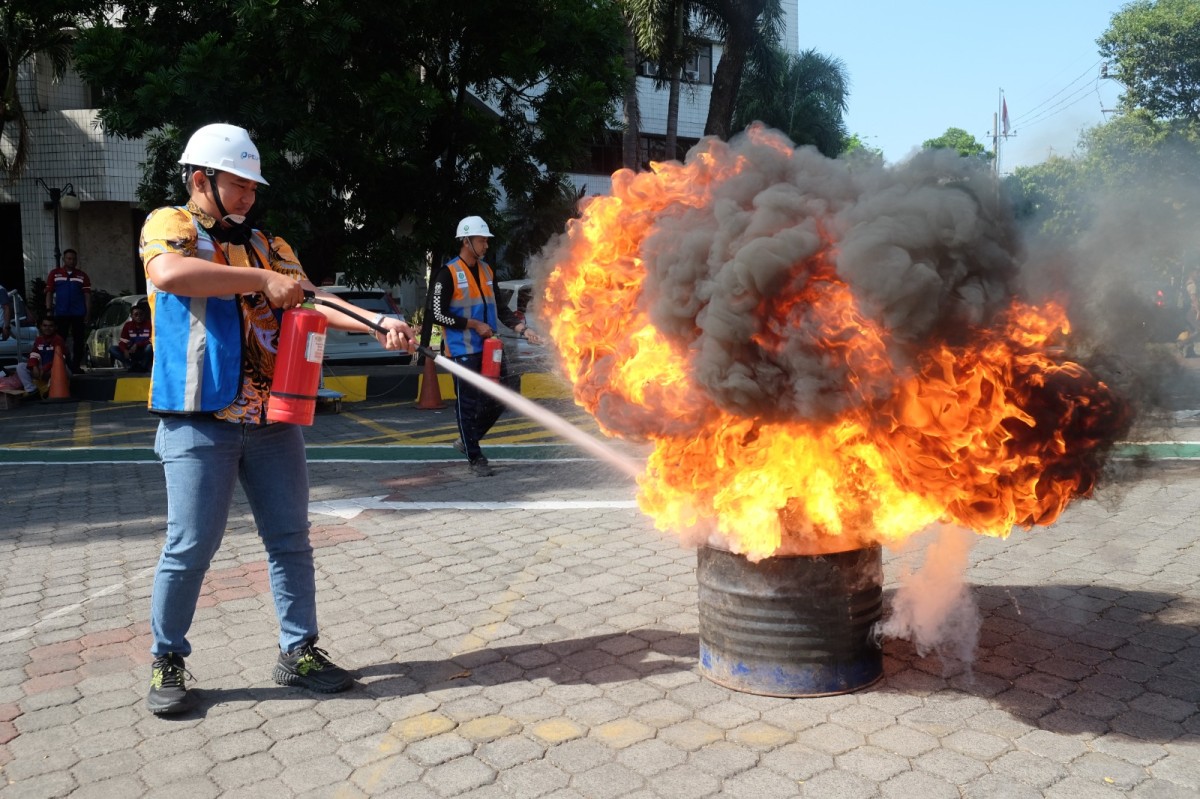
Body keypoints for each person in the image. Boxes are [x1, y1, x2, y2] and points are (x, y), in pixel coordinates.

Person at [140, 123, 414, 715]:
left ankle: (299, 652)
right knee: (190, 545)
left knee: (290, 539)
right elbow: (169, 274)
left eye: (252, 187)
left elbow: (312, 297)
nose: (247, 196)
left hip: (273, 417)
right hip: (198, 417)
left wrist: (376, 324)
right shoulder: (171, 225)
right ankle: (168, 659)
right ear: (200, 179)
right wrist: (262, 281)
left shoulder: (270, 244)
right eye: (237, 185)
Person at [428, 215, 540, 476]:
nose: (486, 245)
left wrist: (523, 329)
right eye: (482, 240)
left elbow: (500, 308)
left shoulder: (487, 271)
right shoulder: (447, 274)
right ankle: (475, 457)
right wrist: (473, 324)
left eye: (486, 241)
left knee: (506, 392)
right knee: (467, 403)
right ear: (466, 241)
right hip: (462, 350)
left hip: (490, 349)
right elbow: (436, 314)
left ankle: (469, 439)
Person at [45, 249, 92, 371]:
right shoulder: (55, 274)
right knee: (59, 340)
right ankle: (60, 366)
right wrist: (49, 310)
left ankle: (76, 366)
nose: (72, 261)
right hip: (61, 313)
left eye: (74, 259)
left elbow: (87, 296)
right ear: (64, 259)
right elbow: (49, 293)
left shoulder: (82, 275)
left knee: (79, 341)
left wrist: (87, 313)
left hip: (78, 313)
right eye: (69, 258)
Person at [16, 316, 66, 396]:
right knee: (20, 366)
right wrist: (34, 366)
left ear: (55, 327)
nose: (47, 328)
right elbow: (34, 354)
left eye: (50, 326)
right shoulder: (39, 339)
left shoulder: (58, 340)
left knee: (58, 369)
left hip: (55, 369)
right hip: (41, 370)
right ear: (41, 327)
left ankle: (50, 390)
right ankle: (32, 391)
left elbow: (61, 359)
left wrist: (45, 368)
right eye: (45, 325)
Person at [110, 303, 153, 372]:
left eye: (141, 314)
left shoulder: (149, 324)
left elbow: (153, 340)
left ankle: (143, 366)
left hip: (144, 351)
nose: (139, 317)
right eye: (136, 315)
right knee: (113, 349)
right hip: (132, 351)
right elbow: (122, 341)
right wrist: (125, 350)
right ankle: (131, 365)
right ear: (131, 316)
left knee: (149, 347)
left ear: (144, 315)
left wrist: (137, 345)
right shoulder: (128, 325)